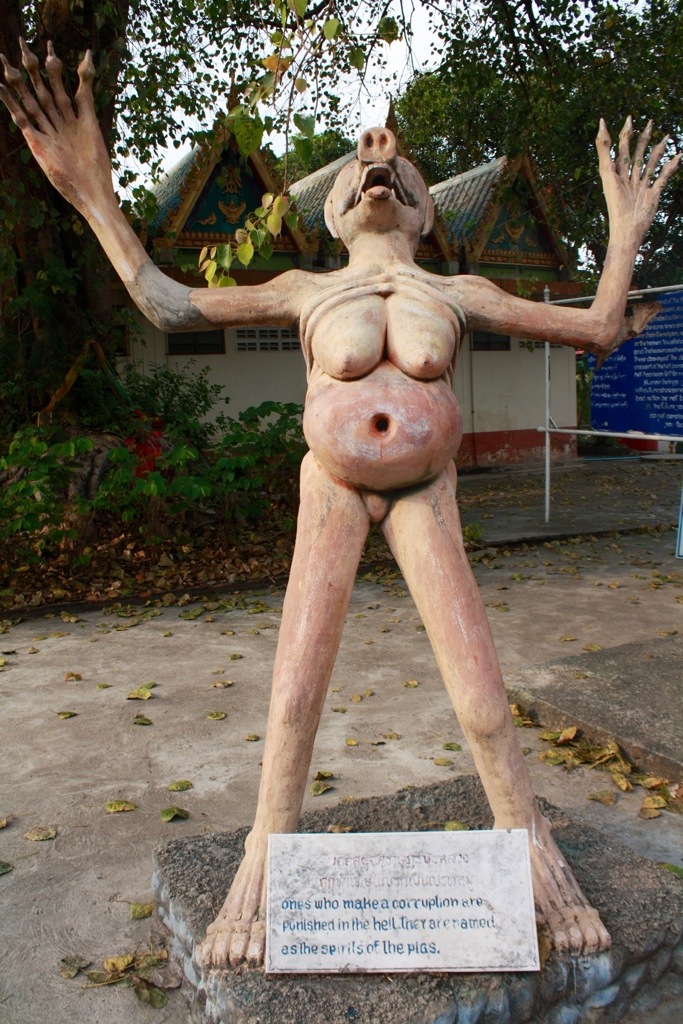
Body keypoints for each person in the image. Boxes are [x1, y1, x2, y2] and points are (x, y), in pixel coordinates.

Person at [2, 40, 678, 969]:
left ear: (424, 211)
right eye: (364, 159)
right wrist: (89, 192)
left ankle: (530, 844)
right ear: (333, 211)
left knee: (481, 696)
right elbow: (165, 302)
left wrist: (625, 224)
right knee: (296, 690)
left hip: (425, 486)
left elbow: (597, 328)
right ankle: (263, 852)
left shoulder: (460, 289)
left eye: (399, 163)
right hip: (332, 482)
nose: (378, 151)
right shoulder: (303, 287)